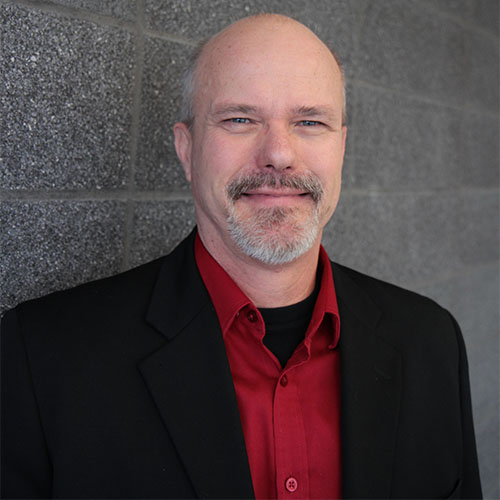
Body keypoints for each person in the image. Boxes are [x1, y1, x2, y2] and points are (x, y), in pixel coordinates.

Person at [1, 13, 482, 500]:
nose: (279, 153)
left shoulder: (431, 344)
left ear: (341, 148)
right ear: (187, 149)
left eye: (310, 122)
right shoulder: (44, 358)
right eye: (240, 119)